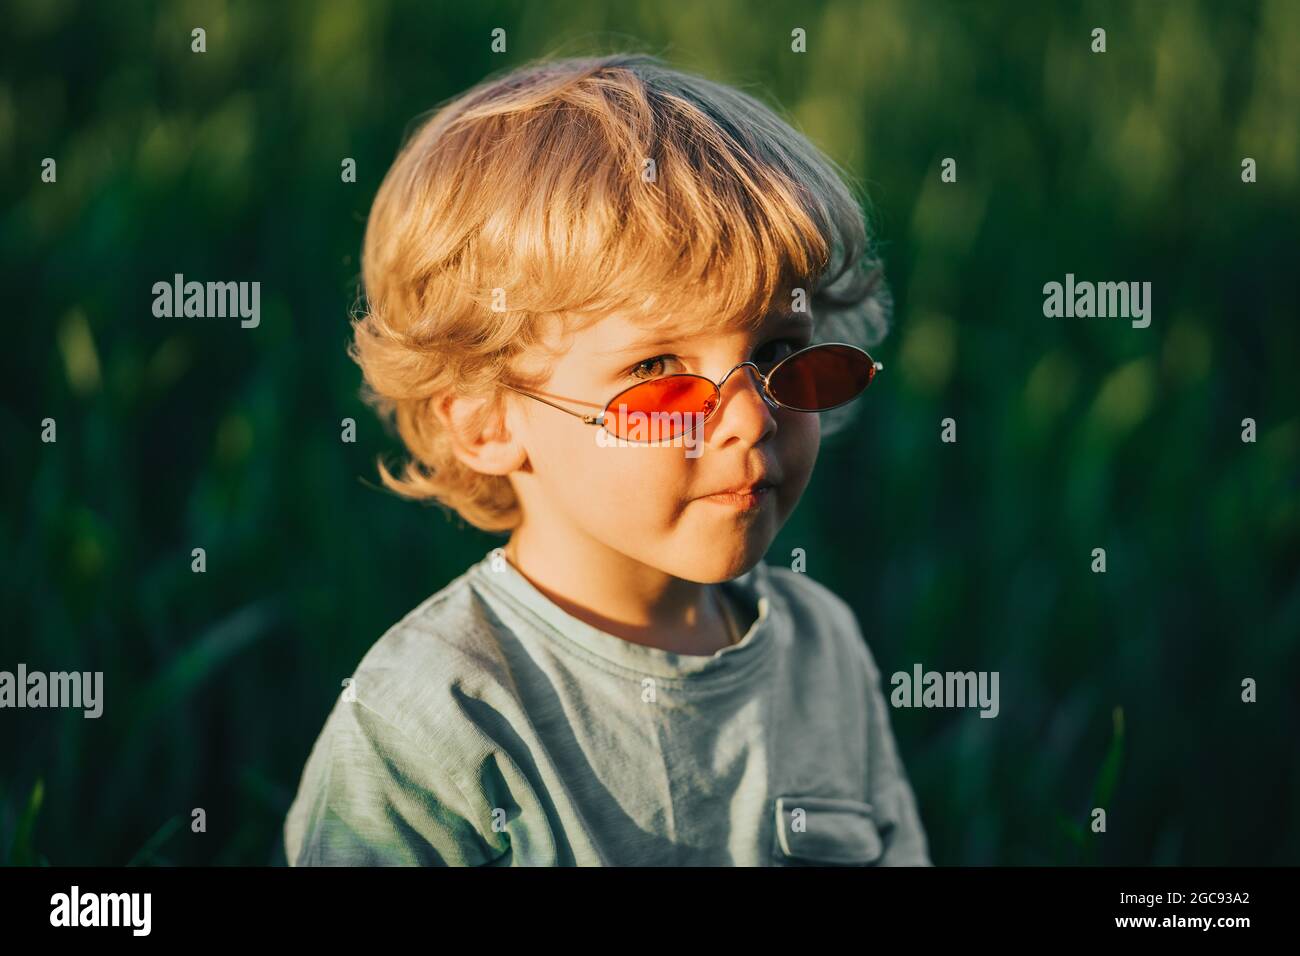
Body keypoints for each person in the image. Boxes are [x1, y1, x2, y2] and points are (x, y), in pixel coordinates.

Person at [284, 52, 929, 866]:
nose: (750, 418)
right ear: (485, 423)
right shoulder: (431, 719)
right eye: (657, 369)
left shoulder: (822, 650)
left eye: (776, 350)